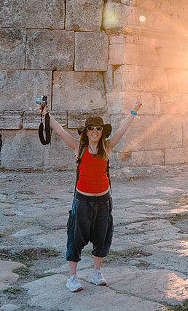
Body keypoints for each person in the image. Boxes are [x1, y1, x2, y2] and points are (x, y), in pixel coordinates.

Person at [39, 100, 142, 292]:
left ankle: (96, 273)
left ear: (102, 131)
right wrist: (46, 114)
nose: (95, 132)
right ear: (86, 132)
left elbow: (122, 129)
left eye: (98, 129)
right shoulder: (79, 147)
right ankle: (72, 277)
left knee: (102, 237)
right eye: (91, 129)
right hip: (83, 200)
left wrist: (133, 111)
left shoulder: (107, 147)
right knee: (76, 237)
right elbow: (60, 130)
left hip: (103, 200)